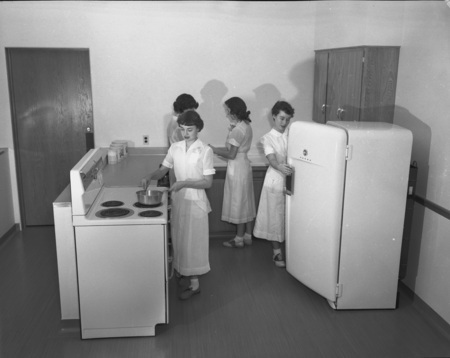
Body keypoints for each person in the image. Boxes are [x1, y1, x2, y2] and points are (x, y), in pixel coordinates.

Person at [142, 110, 215, 300]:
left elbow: (207, 183)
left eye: (189, 130)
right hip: (179, 200)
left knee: (194, 243)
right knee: (179, 238)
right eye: (182, 130)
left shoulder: (205, 150)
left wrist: (184, 183)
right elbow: (162, 170)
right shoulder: (175, 147)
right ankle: (182, 271)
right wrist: (150, 176)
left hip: (196, 201)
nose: (185, 133)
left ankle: (195, 284)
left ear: (198, 128)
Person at [209, 97, 256, 248]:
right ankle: (248, 236)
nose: (226, 113)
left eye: (227, 110)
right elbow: (235, 150)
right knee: (246, 201)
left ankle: (239, 239)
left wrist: (214, 150)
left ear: (232, 111)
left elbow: (231, 154)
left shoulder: (237, 130)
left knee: (238, 202)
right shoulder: (246, 125)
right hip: (244, 166)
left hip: (237, 168)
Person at [253, 101, 294, 267]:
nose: (284, 123)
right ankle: (277, 253)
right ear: (274, 117)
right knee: (275, 216)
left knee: (290, 215)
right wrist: (279, 166)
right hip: (275, 180)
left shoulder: (291, 135)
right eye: (281, 119)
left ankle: (293, 251)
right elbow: (272, 159)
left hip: (291, 179)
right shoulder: (267, 138)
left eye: (287, 120)